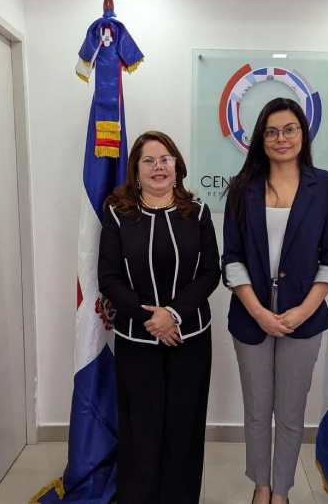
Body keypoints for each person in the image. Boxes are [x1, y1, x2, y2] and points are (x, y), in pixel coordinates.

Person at [222, 98, 328, 504]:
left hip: (304, 318)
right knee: (257, 410)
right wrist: (259, 312)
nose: (281, 138)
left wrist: (303, 311)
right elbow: (231, 258)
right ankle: (261, 487)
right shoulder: (242, 188)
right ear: (261, 138)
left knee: (291, 412)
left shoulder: (324, 187)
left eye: (290, 129)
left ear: (302, 134)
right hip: (250, 317)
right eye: (272, 131)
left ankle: (281, 491)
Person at [98, 130, 220, 504]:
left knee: (184, 428)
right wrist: (151, 319)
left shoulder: (197, 212)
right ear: (135, 170)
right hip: (137, 341)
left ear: (177, 166)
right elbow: (109, 278)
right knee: (141, 430)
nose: (158, 167)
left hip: (190, 339)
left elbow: (210, 272)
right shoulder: (118, 214)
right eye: (148, 161)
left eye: (165, 159)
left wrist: (174, 315)